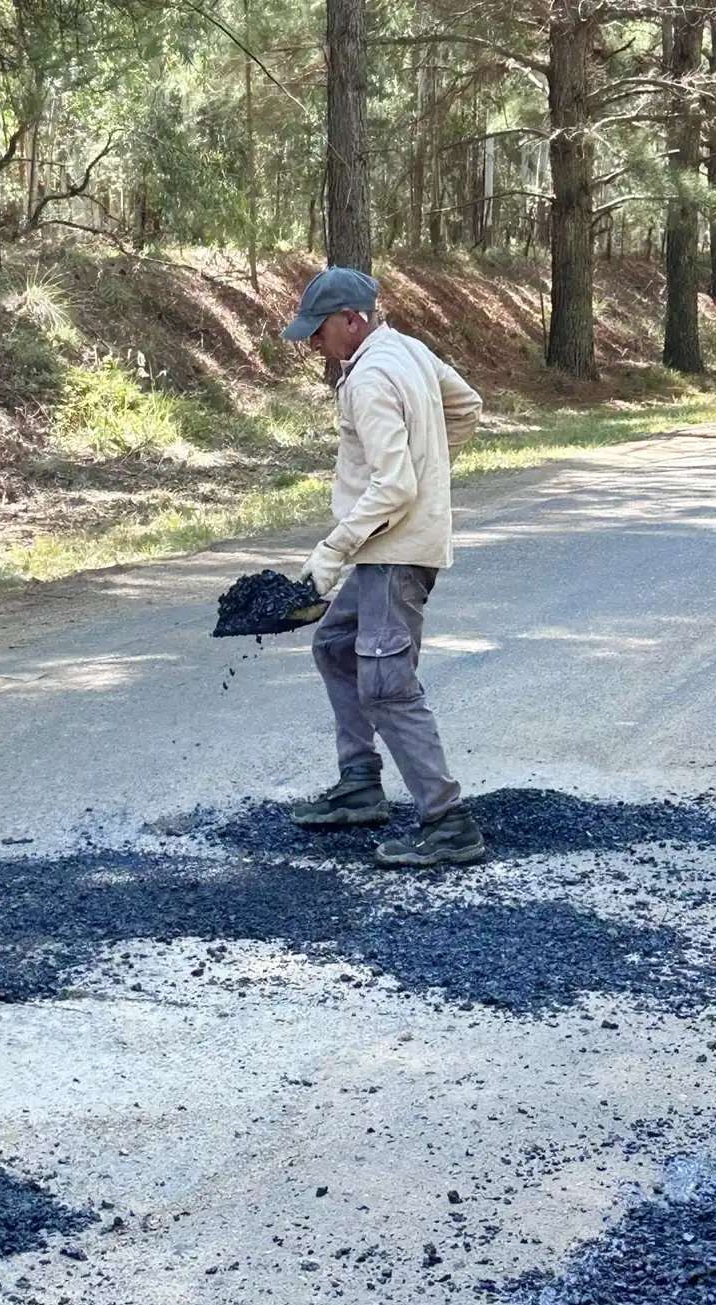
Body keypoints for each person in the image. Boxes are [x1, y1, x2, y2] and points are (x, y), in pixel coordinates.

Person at [281, 266, 485, 868]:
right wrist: (432, 461)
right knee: (337, 644)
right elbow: (467, 406)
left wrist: (330, 552)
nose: (313, 344)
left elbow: (393, 487)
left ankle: (448, 822)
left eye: (319, 330)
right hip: (390, 547)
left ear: (352, 319)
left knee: (386, 685)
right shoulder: (410, 351)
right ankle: (360, 784)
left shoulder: (369, 377)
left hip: (393, 553)